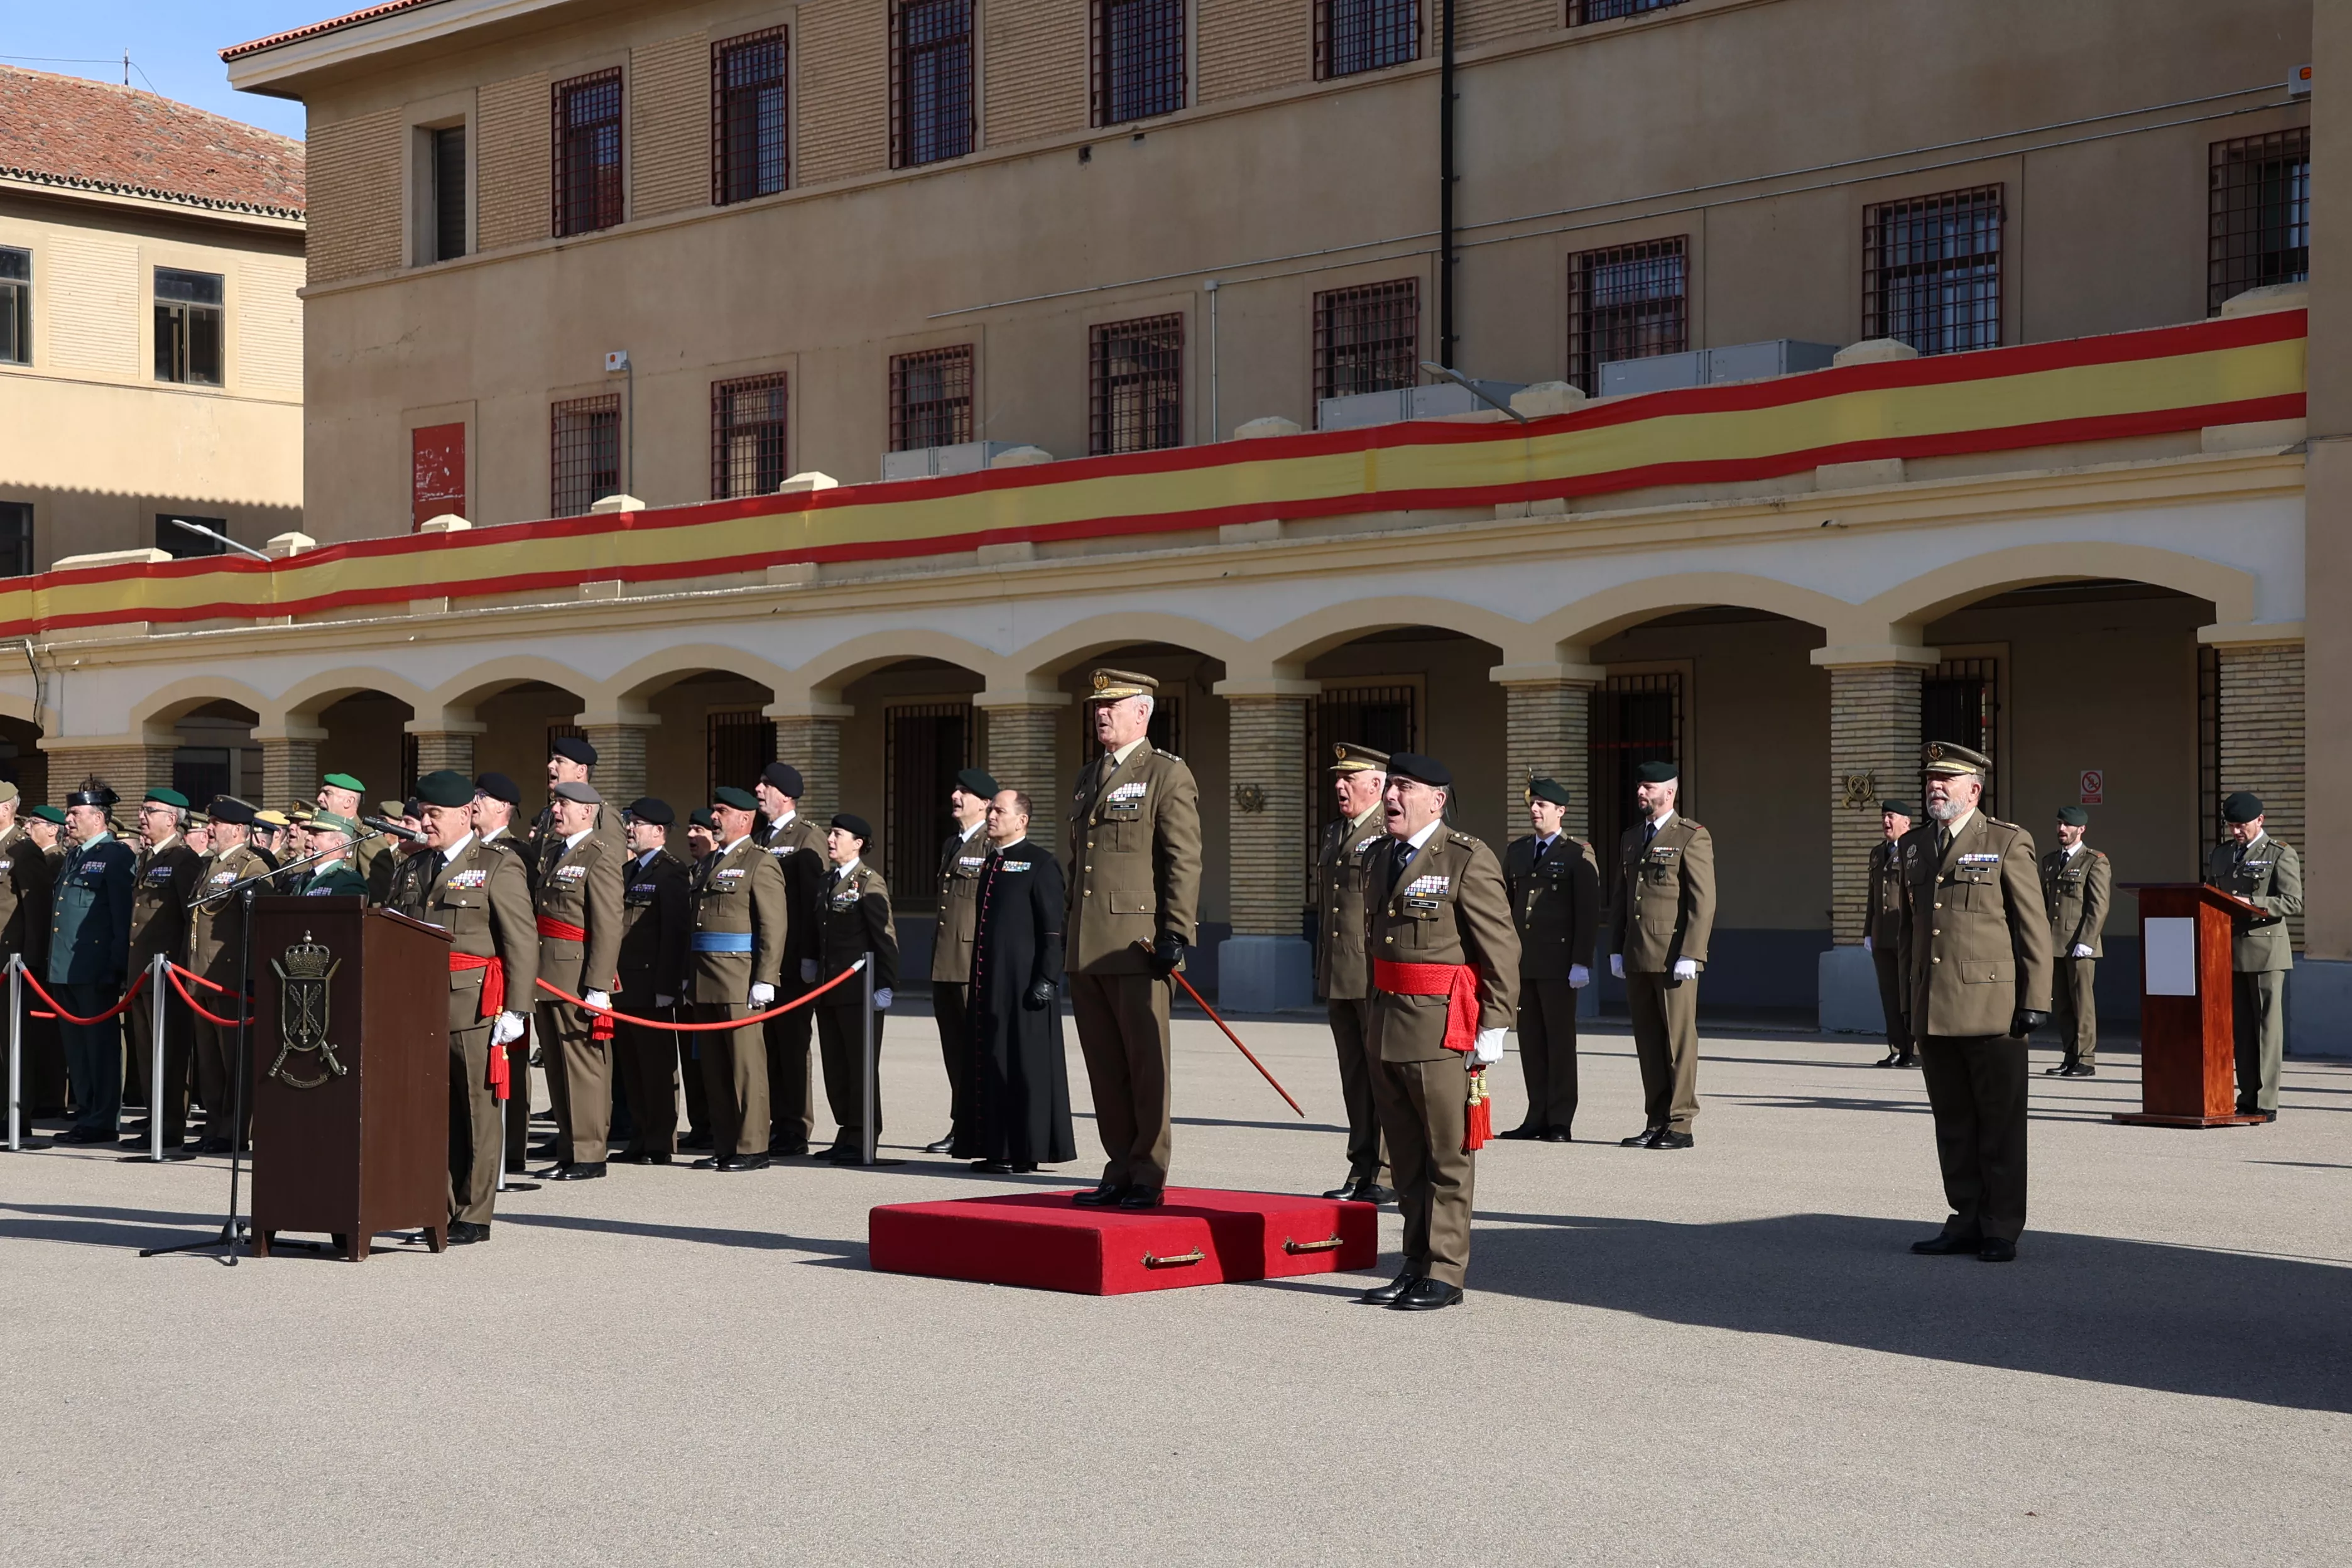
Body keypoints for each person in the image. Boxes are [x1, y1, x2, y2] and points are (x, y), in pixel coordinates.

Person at [1358, 753, 1517, 1312]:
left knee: (1446, 1156)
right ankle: (1414, 1261)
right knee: (1404, 1157)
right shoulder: (1378, 856)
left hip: (1441, 1029)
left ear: (1437, 799)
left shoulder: (1466, 858)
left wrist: (1495, 1025)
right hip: (1385, 1023)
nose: (1391, 797)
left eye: (1404, 787)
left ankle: (1446, 1272)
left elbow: (1499, 948)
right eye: (1390, 787)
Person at [1898, 742, 2052, 1265]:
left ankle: (2001, 1226)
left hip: (1993, 1010)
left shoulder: (2008, 842)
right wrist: (1906, 1003)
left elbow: (2032, 926)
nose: (1935, 787)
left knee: (2000, 1124)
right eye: (1930, 780)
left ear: (1974, 789)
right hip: (1934, 1009)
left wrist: (2035, 999)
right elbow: (1910, 932)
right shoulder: (1915, 845)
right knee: (1954, 1123)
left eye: (1946, 779)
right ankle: (1964, 1218)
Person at [1063, 668, 1202, 1209]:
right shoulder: (1087, 776)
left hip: (1137, 943)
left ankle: (1148, 1172)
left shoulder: (1167, 774)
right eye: (1098, 705)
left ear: (1142, 712)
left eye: (1114, 704)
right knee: (1105, 1066)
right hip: (1088, 945)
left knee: (1146, 1067)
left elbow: (1182, 859)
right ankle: (1118, 1165)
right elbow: (1080, 865)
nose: (1102, 713)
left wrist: (1175, 931)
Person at [396, 770, 537, 1246]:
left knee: (477, 1112)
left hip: (476, 1007)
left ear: (465, 814)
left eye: (435, 815)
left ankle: (474, 1215)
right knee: (433, 1115)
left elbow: (520, 940)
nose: (426, 823)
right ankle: (439, 1208)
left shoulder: (498, 865)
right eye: (424, 813)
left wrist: (517, 1011)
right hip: (421, 1007)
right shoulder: (413, 868)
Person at [961, 789, 1074, 1172]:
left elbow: (1053, 930)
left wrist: (1047, 977)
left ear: (1021, 820)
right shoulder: (993, 862)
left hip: (1026, 986)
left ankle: (1025, 1149)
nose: (991, 815)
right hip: (992, 983)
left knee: (1024, 1065)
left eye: (999, 810)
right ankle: (996, 1146)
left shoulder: (1041, 863)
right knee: (992, 1060)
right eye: (990, 809)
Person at [1605, 760, 1716, 1150]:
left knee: (1677, 1042)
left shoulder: (1691, 836)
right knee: (1649, 1041)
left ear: (1669, 792)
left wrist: (1692, 952)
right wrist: (1615, 948)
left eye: (1649, 787)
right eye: (1639, 786)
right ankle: (1656, 1119)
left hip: (1673, 956)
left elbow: (1702, 902)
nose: (1641, 792)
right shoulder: (1632, 837)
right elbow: (1622, 897)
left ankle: (1681, 1123)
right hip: (1637, 953)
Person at [687, 787, 788, 1170]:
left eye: (722, 811)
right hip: (704, 977)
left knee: (746, 1066)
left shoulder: (760, 862)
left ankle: (752, 1147)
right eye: (714, 810)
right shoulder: (709, 862)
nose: (714, 818)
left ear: (745, 819)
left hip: (739, 977)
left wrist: (766, 977)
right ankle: (725, 1143)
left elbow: (773, 926)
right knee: (713, 1068)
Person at [1500, 776, 1600, 1143]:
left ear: (1561, 811)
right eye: (1532, 804)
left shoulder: (1577, 853)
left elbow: (1587, 912)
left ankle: (1560, 1119)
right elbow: (1506, 905)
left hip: (1560, 965)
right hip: (1523, 963)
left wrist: (1581, 961)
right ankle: (1535, 1115)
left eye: (1543, 805)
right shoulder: (1518, 851)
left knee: (1559, 1042)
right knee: (1530, 1040)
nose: (1535, 810)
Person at [533, 780, 624, 1179]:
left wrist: (600, 985)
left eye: (564, 805)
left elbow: (608, 925)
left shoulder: (599, 856)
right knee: (556, 1065)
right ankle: (569, 1148)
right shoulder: (555, 852)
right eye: (556, 804)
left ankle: (590, 1153)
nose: (556, 811)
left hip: (577, 975)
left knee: (583, 1067)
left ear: (587, 811)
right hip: (548, 975)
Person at [1314, 743, 1393, 1201]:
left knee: (1382, 1075)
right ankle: (1360, 1167)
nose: (1340, 787)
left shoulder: (1390, 831)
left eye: (1350, 779)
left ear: (1377, 785)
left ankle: (1385, 1173)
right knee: (1354, 1076)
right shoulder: (1333, 833)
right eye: (1338, 779)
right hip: (1339, 973)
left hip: (1372, 973)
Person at [48, 786, 136, 1145]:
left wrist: (116, 967)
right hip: (66, 965)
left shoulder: (114, 856)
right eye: (69, 815)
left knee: (99, 1046)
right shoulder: (75, 857)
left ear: (98, 818)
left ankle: (103, 1118)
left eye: (75, 815)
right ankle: (86, 1112)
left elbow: (121, 914)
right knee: (77, 1047)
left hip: (95, 967)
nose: (68, 820)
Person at [2205, 791, 2300, 1121]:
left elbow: (2292, 902)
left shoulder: (2280, 854)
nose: (2236, 832)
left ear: (2260, 820)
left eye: (2242, 825)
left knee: (2266, 1030)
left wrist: (2252, 903)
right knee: (2242, 1031)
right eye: (2232, 826)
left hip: (2265, 952)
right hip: (2227, 952)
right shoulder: (2221, 855)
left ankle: (2267, 1100)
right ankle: (2245, 1097)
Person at [810, 813, 898, 1161]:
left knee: (860, 1066)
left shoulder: (869, 883)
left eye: (838, 834)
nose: (830, 840)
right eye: (830, 833)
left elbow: (885, 938)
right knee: (836, 1065)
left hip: (860, 990)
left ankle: (865, 1136)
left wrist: (886, 985)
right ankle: (846, 1131)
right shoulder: (826, 881)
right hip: (828, 989)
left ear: (858, 843)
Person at [187, 798, 271, 1152]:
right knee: (209, 1062)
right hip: (200, 976)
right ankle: (213, 1125)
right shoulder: (210, 866)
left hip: (230, 979)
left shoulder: (251, 867)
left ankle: (233, 1130)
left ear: (238, 830)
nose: (209, 828)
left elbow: (257, 928)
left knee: (234, 1061)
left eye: (216, 823)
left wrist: (250, 978)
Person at [754, 760, 829, 1156]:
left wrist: (810, 956)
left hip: (793, 961)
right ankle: (773, 1122)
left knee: (792, 1044)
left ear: (785, 794)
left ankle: (796, 1127)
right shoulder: (761, 836)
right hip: (764, 959)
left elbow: (813, 904)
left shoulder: (807, 837)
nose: (759, 789)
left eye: (767, 785)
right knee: (767, 1045)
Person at [124, 787, 203, 1151]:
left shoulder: (184, 860)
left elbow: (192, 920)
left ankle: (170, 1126)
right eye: (142, 810)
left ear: (171, 819)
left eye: (149, 811)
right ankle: (155, 1120)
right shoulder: (148, 857)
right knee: (146, 1053)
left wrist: (182, 970)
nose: (142, 816)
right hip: (142, 972)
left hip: (167, 972)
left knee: (169, 1054)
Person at [612, 797, 690, 1163]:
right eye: (630, 821)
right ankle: (640, 1137)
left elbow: (675, 934)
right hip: (625, 984)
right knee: (632, 1066)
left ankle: (659, 1142)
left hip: (651, 985)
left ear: (658, 832)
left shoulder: (670, 872)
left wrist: (667, 987)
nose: (630, 828)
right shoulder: (630, 871)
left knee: (656, 1067)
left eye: (638, 823)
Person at [925, 766, 998, 1155]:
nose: (956, 796)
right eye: (956, 789)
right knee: (955, 1051)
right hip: (946, 963)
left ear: (986, 804)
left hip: (973, 963)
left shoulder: (990, 843)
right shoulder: (953, 844)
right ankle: (962, 1122)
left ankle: (982, 1124)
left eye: (965, 792)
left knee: (977, 1050)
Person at [472, 771, 536, 1170]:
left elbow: (518, 924)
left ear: (503, 807)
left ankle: (511, 1149)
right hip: (479, 970)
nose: (474, 801)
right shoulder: (472, 851)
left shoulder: (517, 855)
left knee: (508, 1062)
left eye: (483, 796)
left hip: (502, 968)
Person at [0, 784, 62, 1124]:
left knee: (13, 1040)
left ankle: (16, 1114)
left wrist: (33, 963)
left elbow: (37, 910)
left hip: (13, 961)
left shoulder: (23, 851)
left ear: (6, 810)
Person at [2040, 805, 2111, 1077]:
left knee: (2082, 1002)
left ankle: (2086, 1059)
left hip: (2080, 944)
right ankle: (2069, 1056)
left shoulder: (2094, 861)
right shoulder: (2049, 861)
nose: (2062, 829)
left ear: (2081, 830)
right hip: (2053, 943)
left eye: (2068, 825)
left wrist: (2088, 940)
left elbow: (2098, 906)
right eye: (2059, 824)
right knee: (2062, 1003)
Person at [677, 805, 721, 1150]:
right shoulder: (691, 872)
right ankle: (701, 1122)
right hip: (689, 977)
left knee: (713, 1058)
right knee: (693, 1060)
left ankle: (717, 1124)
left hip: (715, 978)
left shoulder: (719, 870)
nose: (692, 836)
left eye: (700, 830)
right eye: (689, 830)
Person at [1866, 799, 1917, 1068]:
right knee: (1890, 994)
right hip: (1882, 935)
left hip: (1905, 934)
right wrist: (1867, 932)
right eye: (1884, 817)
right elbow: (1872, 898)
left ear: (1906, 823)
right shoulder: (1877, 853)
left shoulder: (1915, 852)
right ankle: (1896, 1047)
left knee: (1910, 992)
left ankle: (1914, 1049)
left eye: (1892, 817)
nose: (1886, 822)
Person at [316, 771, 386, 891]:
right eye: (321, 793)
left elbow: (377, 893)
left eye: (327, 794)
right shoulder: (321, 834)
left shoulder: (366, 837)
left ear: (348, 802)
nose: (319, 799)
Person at [293, 814, 370, 895]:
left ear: (337, 845)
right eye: (309, 833)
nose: (307, 837)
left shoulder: (348, 880)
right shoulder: (306, 876)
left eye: (315, 834)